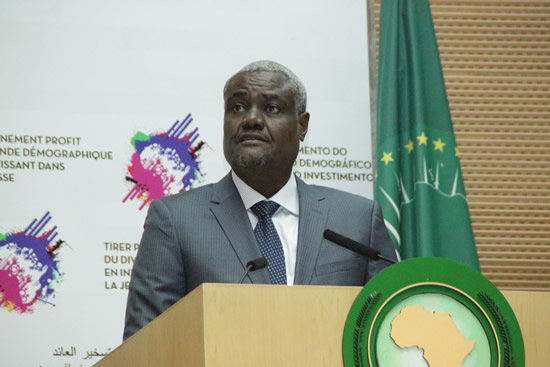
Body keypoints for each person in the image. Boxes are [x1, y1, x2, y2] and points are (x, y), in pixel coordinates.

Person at [123, 60, 397, 340]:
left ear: (302, 126)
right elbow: (145, 346)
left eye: (271, 108)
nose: (251, 120)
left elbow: (390, 335)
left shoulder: (357, 220)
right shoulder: (176, 221)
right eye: (237, 108)